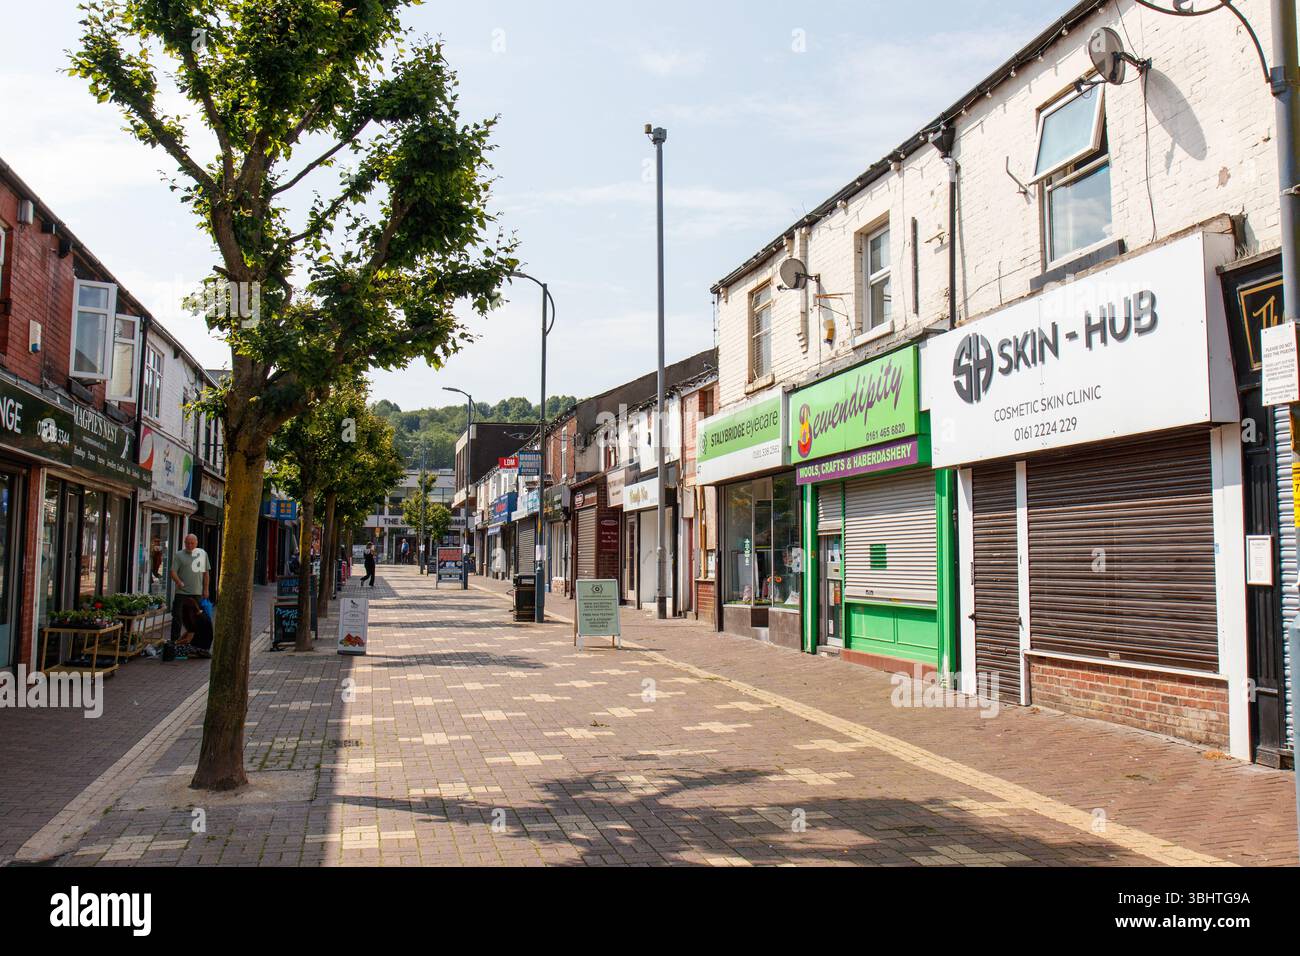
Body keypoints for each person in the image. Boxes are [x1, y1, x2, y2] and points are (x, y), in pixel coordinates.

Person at [168, 533, 209, 647]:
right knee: (177, 616)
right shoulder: (179, 555)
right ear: (184, 543)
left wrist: (206, 589)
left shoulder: (202, 554)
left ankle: (196, 641)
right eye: (187, 543)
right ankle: (174, 641)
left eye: (192, 543)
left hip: (197, 592)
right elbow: (173, 572)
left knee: (196, 617)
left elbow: (206, 574)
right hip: (181, 592)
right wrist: (178, 581)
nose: (190, 545)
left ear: (196, 543)